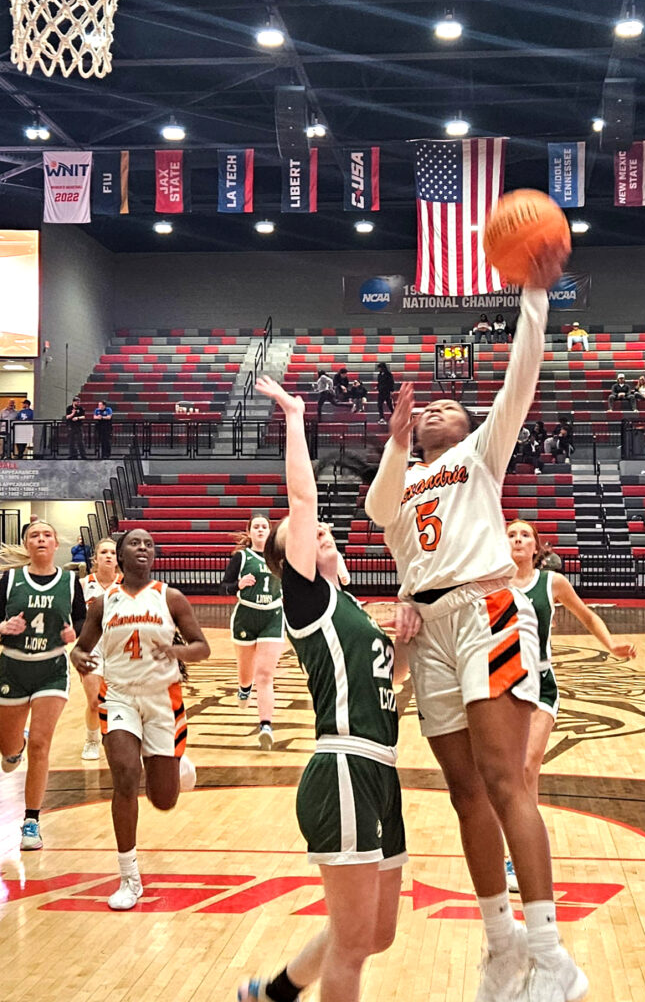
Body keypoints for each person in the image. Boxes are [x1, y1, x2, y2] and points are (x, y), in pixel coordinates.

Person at [365, 241, 589, 1002]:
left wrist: (532, 295)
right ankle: (501, 945)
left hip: (487, 610)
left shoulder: (481, 455)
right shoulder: (404, 477)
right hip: (427, 632)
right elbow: (374, 512)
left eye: (448, 407)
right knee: (462, 793)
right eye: (428, 408)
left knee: (503, 780)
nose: (436, 409)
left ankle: (553, 955)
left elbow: (522, 372)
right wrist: (395, 447)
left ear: (465, 426)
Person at [237, 373, 414, 1002]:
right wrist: (292, 414)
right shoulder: (307, 601)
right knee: (353, 942)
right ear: (292, 563)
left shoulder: (354, 609)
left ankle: (278, 991)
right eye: (303, 535)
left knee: (375, 933)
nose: (316, 530)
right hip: (341, 764)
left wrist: (409, 647)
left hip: (382, 767)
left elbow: (392, 690)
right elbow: (302, 498)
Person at [71, 528, 209, 909]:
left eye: (149, 544)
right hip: (118, 696)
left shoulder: (171, 597)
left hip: (163, 700)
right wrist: (79, 658)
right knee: (125, 777)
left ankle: (173, 762)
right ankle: (129, 877)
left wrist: (178, 651)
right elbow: (81, 649)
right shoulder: (103, 603)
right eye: (135, 543)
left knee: (164, 800)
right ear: (119, 554)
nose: (143, 548)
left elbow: (202, 647)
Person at [505, 519, 636, 892]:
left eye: (524, 535)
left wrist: (611, 645)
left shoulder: (552, 583)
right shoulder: (491, 583)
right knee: (510, 776)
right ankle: (519, 848)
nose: (517, 539)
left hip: (541, 684)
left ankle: (518, 857)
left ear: (536, 548)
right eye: (511, 534)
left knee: (529, 766)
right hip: (501, 684)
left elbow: (588, 615)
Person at [0, 521, 86, 849]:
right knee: (8, 750)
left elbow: (81, 619)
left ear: (56, 543)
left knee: (42, 744)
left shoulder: (71, 581)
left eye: (46, 535)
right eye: (34, 536)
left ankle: (31, 820)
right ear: (26, 544)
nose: (40, 540)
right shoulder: (12, 578)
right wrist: (4, 626)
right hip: (13, 670)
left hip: (52, 670)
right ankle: (15, 749)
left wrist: (76, 634)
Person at [220, 514, 285, 749]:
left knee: (265, 675)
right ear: (249, 532)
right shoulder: (241, 557)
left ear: (270, 531)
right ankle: (244, 688)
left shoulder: (279, 557)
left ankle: (266, 726)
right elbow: (223, 588)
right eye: (256, 527)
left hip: (273, 616)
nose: (260, 530)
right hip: (246, 617)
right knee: (246, 673)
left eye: (264, 527)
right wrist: (238, 585)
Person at [78, 537, 122, 760]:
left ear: (118, 558)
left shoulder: (127, 585)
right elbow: (73, 617)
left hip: (119, 650)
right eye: (103, 552)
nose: (108, 556)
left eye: (112, 553)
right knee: (94, 701)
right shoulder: (84, 584)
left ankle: (118, 738)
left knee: (118, 702)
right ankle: (92, 740)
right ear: (95, 557)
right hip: (92, 649)